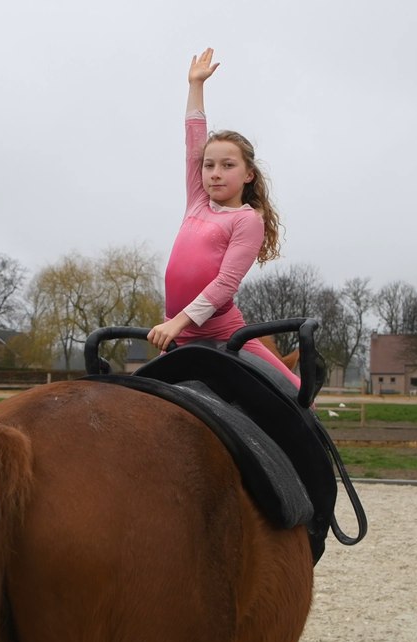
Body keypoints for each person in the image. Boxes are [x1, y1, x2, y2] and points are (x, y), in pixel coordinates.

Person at [146, 48, 300, 389]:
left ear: (248, 175)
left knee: (299, 392)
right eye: (209, 165)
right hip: (176, 331)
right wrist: (195, 84)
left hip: (221, 329)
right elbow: (193, 140)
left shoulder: (248, 220)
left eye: (228, 166)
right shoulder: (197, 200)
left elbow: (225, 285)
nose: (215, 173)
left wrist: (179, 323)